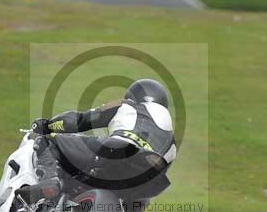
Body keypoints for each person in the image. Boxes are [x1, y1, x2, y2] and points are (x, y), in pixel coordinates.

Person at [31, 78, 176, 198]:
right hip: (150, 174)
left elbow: (80, 121)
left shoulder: (127, 104)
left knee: (48, 142)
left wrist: (48, 125)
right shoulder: (172, 141)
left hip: (118, 147)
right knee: (140, 197)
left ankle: (49, 183)